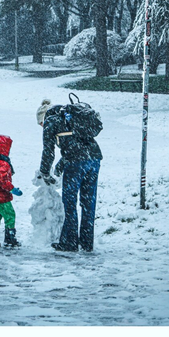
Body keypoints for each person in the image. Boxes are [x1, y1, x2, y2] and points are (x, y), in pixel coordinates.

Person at [36, 98, 102, 252]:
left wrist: (45, 172)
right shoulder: (70, 117)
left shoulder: (51, 121)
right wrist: (59, 167)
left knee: (70, 202)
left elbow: (48, 151)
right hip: (94, 159)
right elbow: (75, 143)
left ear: (43, 118)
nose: (41, 126)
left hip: (76, 163)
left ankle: (69, 242)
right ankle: (86, 243)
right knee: (88, 203)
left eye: (40, 123)